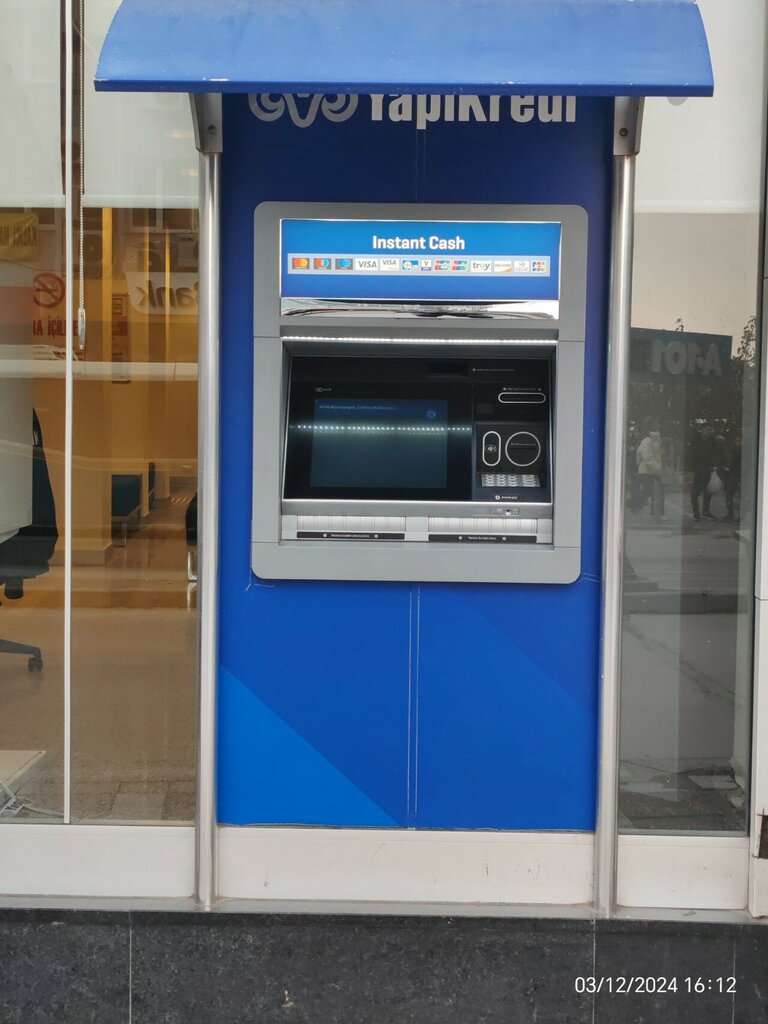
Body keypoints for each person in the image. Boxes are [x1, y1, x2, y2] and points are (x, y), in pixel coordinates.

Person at [689, 422, 718, 521]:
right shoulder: (696, 441)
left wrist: (714, 465)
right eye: (708, 429)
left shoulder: (712, 442)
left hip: (708, 469)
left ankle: (705, 510)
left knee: (708, 491)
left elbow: (714, 454)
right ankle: (696, 513)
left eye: (711, 430)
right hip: (698, 469)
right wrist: (691, 469)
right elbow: (691, 455)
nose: (710, 432)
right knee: (695, 492)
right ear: (702, 430)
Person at [636, 417, 664, 518]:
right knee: (649, 491)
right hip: (647, 470)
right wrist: (657, 467)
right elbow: (646, 456)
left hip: (654, 469)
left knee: (658, 491)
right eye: (657, 423)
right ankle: (632, 504)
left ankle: (658, 513)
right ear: (653, 425)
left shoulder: (657, 438)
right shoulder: (647, 440)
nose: (659, 425)